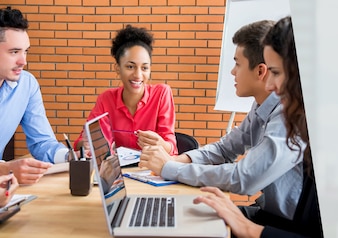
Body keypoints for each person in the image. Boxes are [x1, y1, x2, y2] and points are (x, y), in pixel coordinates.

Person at [139, 20, 304, 221]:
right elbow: (225, 149)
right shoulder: (261, 106)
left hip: (287, 226)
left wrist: (170, 168)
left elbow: (243, 178)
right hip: (267, 213)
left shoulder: (288, 115)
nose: (232, 72)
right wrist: (174, 160)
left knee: (192, 222)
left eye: (237, 63)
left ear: (261, 71)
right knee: (187, 216)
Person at [193, 16, 323, 237]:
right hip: (273, 218)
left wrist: (248, 228)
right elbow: (228, 148)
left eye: (277, 72)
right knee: (196, 218)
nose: (270, 85)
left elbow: (244, 178)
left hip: (282, 224)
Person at [73, 25, 177, 156]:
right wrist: (86, 144)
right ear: (117, 68)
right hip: (119, 172)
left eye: (144, 68)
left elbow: (172, 146)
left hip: (153, 171)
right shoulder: (106, 99)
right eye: (130, 66)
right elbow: (81, 143)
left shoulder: (162, 94)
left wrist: (162, 145)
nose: (138, 75)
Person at [0, 6, 66, 184]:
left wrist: (68, 157)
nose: (23, 61)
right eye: (14, 52)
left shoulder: (27, 85)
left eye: (25, 51)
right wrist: (5, 169)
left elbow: (42, 142)